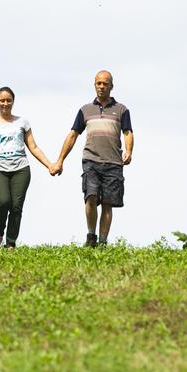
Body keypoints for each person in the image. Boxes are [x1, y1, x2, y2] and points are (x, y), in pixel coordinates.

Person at [52, 70, 133, 246]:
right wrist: (60, 160)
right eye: (98, 83)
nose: (101, 86)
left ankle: (102, 242)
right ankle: (91, 236)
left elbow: (127, 132)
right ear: (94, 85)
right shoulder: (85, 110)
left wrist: (128, 150)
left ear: (111, 86)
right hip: (91, 160)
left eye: (105, 83)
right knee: (91, 196)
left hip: (113, 162)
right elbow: (73, 135)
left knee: (107, 203)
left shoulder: (122, 110)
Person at [0, 86, 55, 248]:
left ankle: (10, 244)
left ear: (13, 102)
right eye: (2, 101)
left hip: (21, 168)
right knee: (3, 202)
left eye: (8, 100)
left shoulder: (22, 122)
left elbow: (33, 147)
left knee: (16, 207)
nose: (5, 103)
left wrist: (49, 165)